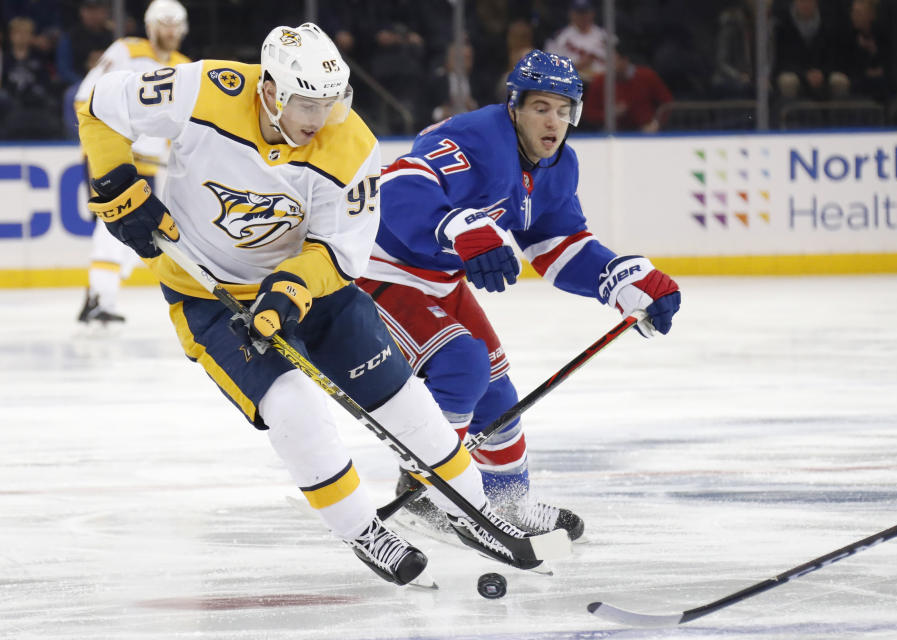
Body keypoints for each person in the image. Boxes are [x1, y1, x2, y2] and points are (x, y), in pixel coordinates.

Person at [76, 22, 551, 586]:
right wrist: (117, 184)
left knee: (401, 398)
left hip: (315, 290)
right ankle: (362, 530)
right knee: (294, 406)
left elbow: (339, 253)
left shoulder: (351, 145)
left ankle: (473, 506)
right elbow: (97, 106)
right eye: (305, 102)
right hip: (209, 295)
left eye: (330, 102)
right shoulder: (204, 90)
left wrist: (288, 290)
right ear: (271, 90)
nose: (319, 117)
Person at [356, 50, 681, 540]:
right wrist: (457, 225)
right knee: (462, 363)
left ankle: (507, 502)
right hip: (379, 270)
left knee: (496, 391)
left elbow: (559, 247)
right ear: (514, 107)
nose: (554, 121)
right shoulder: (476, 138)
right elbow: (400, 183)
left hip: (440, 278)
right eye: (541, 108)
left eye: (564, 109)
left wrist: (621, 277)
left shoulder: (559, 165)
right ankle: (421, 494)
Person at [74, 0, 191, 325]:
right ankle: (102, 298)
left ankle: (95, 297)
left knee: (139, 231)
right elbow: (85, 96)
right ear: (150, 26)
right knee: (111, 224)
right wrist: (111, 141)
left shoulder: (186, 66)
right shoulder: (126, 50)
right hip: (112, 157)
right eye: (163, 24)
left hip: (153, 165)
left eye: (174, 25)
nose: (169, 31)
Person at [582, 47, 673, 132]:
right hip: (612, 132)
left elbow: (666, 103)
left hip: (647, 132)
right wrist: (609, 114)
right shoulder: (599, 81)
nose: (609, 66)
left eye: (613, 61)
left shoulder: (647, 76)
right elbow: (589, 113)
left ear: (625, 60)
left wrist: (656, 123)